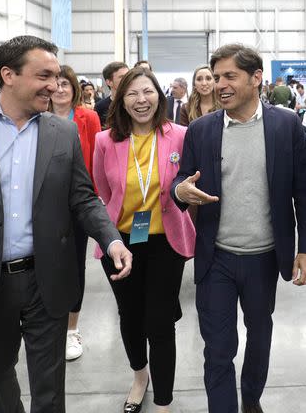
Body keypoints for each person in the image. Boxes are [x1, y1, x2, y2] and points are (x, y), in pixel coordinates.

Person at [0, 35, 133, 413]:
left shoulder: (60, 131)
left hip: (45, 278)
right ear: (8, 75)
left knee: (49, 385)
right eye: (44, 75)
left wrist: (111, 240)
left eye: (57, 75)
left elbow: (82, 196)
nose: (55, 84)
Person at [171, 43, 306, 413]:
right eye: (216, 76)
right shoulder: (201, 130)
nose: (219, 84)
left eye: (229, 76)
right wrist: (181, 190)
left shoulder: (286, 125)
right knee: (218, 349)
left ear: (256, 79)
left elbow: (304, 189)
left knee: (259, 334)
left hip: (265, 258)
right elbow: (180, 182)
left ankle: (251, 398)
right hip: (215, 258)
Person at [94, 68, 195, 413]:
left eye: (148, 92)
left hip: (166, 241)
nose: (141, 100)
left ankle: (163, 401)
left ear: (160, 96)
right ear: (121, 100)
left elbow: (188, 184)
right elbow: (103, 192)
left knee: (160, 321)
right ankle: (140, 376)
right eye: (132, 94)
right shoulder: (106, 141)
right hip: (122, 242)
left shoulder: (180, 135)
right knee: (130, 315)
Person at [48, 64, 101, 361]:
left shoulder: (88, 117)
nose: (60, 89)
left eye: (65, 84)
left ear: (74, 88)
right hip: (44, 206)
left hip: (78, 204)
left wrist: (93, 200)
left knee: (74, 266)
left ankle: (72, 329)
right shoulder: (37, 116)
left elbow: (94, 160)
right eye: (55, 83)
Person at [95, 61, 129, 128]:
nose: (127, 79)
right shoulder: (100, 107)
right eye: (122, 77)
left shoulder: (134, 102)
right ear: (109, 82)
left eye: (128, 76)